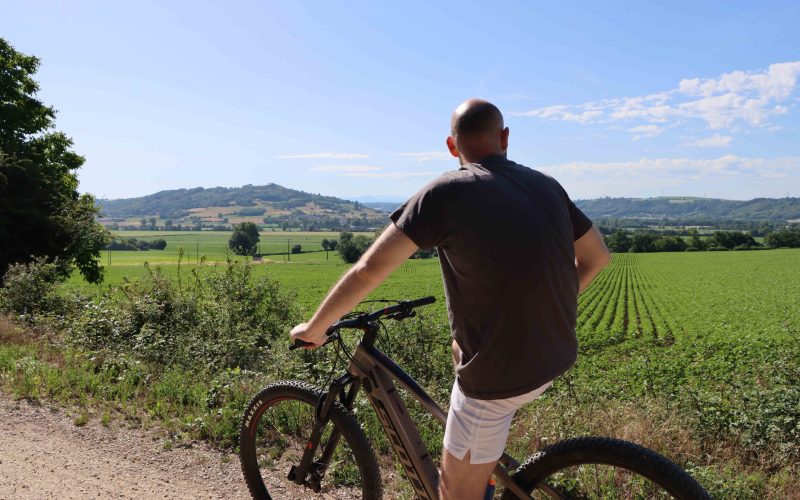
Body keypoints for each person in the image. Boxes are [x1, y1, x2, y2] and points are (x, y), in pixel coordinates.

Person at [290, 98, 611, 499]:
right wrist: (549, 307)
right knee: (475, 453)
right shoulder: (547, 186)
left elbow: (370, 270)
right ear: (505, 138)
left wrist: (315, 326)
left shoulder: (446, 193)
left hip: (496, 376)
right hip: (556, 353)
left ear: (451, 145)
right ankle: (484, 473)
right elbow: (598, 257)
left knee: (455, 493)